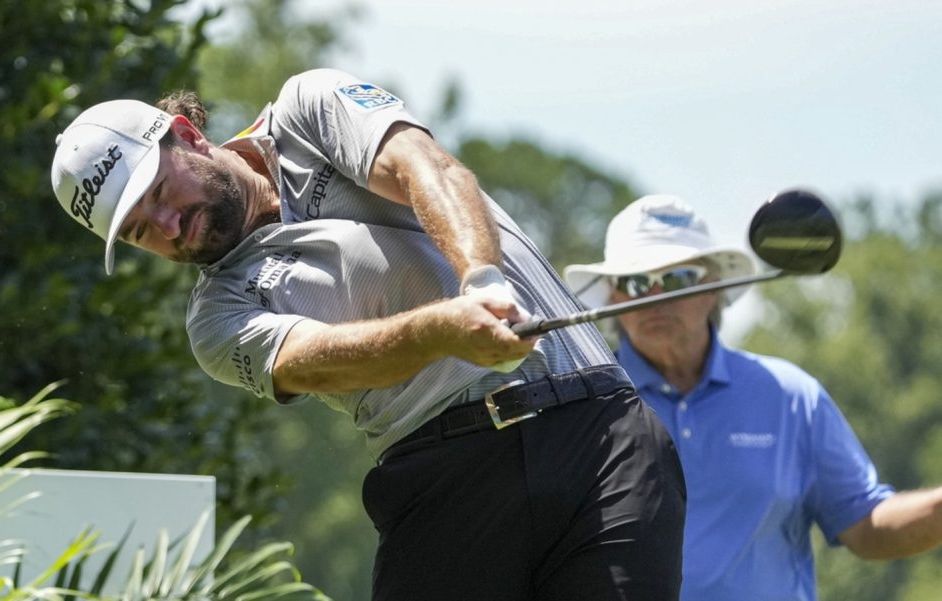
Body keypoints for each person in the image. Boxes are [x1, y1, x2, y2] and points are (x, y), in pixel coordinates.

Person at [48, 69, 686, 600]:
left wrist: (481, 279)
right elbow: (322, 362)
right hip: (445, 482)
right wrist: (443, 331)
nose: (167, 225)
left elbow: (423, 167)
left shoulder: (306, 110)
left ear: (187, 135)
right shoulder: (217, 317)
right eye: (140, 231)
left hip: (598, 432)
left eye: (159, 190)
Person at [564, 194, 942, 601]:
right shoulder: (584, 406)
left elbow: (866, 527)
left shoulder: (790, 396)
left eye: (677, 277)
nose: (656, 295)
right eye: (636, 282)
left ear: (713, 287)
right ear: (613, 297)